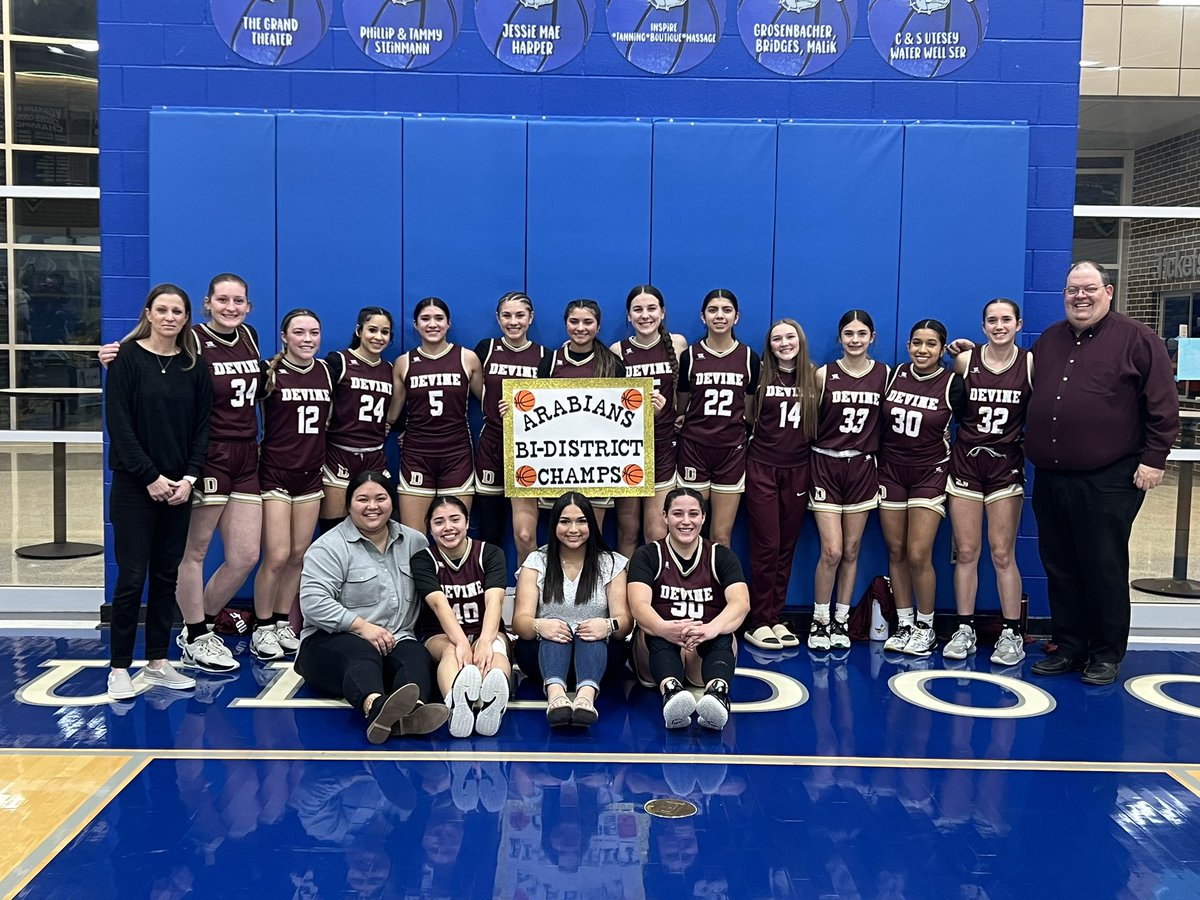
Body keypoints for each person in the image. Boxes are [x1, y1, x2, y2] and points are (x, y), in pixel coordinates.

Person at [1027, 261, 1178, 685]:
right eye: (1072, 289)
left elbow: (1163, 405)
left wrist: (1154, 458)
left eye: (1089, 288)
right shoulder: (1050, 340)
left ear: (1108, 292)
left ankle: (1106, 653)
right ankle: (1069, 646)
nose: (1080, 297)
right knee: (1060, 565)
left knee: (1102, 566)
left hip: (1109, 477)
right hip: (1052, 476)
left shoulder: (1138, 339)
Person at [100, 273, 259, 674]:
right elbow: (142, 367)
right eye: (222, 300)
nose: (231, 307)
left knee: (245, 556)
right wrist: (110, 354)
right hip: (208, 455)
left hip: (239, 454)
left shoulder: (249, 337)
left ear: (248, 306)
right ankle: (195, 633)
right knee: (187, 555)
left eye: (238, 300)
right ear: (206, 305)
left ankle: (194, 630)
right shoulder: (194, 342)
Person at [104, 284, 212, 700]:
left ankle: (157, 662)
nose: (170, 317)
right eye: (162, 310)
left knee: (167, 576)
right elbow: (120, 426)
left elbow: (202, 427)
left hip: (178, 490)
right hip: (135, 487)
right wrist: (150, 476)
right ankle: (119, 667)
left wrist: (189, 479)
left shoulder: (193, 365)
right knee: (132, 578)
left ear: (186, 318)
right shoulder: (126, 359)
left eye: (177, 311)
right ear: (148, 313)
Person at [296, 470, 450, 743]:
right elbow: (313, 602)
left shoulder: (415, 542)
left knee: (415, 656)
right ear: (348, 505)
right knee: (361, 653)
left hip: (395, 638)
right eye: (362, 499)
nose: (372, 506)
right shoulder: (328, 547)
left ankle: (411, 714)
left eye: (380, 498)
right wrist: (361, 627)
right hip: (330, 642)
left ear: (392, 502)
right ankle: (376, 707)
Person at [944, 299, 1032, 666]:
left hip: (1005, 466)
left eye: (1006, 319)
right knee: (967, 552)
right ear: (983, 327)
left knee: (1001, 553)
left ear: (1018, 324)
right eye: (992, 320)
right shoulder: (966, 361)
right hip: (966, 463)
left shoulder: (1029, 363)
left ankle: (1011, 633)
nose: (999, 326)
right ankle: (964, 628)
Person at [628, 488, 749, 730]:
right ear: (665, 516)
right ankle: (671, 692)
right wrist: (664, 628)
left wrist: (711, 629)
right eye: (677, 514)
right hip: (655, 650)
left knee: (724, 632)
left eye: (693, 514)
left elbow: (741, 603)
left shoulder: (720, 555)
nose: (686, 521)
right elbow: (638, 605)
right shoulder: (648, 555)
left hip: (702, 649)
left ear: (703, 517)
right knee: (655, 631)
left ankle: (717, 693)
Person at [879, 319, 966, 657]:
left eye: (931, 344)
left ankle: (926, 626)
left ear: (942, 349)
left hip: (929, 473)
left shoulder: (952, 382)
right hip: (890, 471)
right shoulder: (894, 375)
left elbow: (972, 425)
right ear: (908, 346)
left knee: (918, 553)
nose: (923, 349)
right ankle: (904, 624)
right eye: (917, 342)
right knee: (896, 551)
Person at [250, 309, 333, 661]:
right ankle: (262, 626)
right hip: (275, 473)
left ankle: (283, 622)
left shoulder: (326, 371)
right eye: (299, 332)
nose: (307, 339)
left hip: (311, 473)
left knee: (300, 554)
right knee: (277, 555)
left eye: (314, 332)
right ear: (284, 336)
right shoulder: (267, 371)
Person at [512, 492, 631, 728]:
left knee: (591, 633)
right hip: (544, 656)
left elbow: (625, 622)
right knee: (556, 631)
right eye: (565, 521)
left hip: (600, 656)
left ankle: (586, 699)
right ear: (554, 524)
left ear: (591, 524)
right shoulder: (536, 561)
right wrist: (540, 625)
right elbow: (520, 622)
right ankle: (555, 696)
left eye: (581, 521)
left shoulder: (611, 563)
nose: (573, 529)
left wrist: (607, 625)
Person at [808, 310, 888, 652]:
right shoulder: (824, 374)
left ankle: (841, 618)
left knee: (852, 550)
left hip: (862, 467)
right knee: (832, 550)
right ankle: (819, 619)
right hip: (826, 464)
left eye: (861, 333)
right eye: (849, 334)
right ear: (839, 338)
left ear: (872, 337)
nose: (855, 340)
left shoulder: (884, 375)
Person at [743, 319, 819, 652]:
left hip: (799, 468)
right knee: (767, 545)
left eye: (790, 337)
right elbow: (748, 416)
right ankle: (758, 620)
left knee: (787, 546)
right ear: (769, 345)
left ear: (800, 340)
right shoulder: (760, 374)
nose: (784, 343)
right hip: (762, 466)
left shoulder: (815, 376)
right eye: (777, 339)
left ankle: (775, 615)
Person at [413, 496, 512, 738]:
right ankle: (456, 706)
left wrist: (485, 641)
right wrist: (460, 642)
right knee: (451, 651)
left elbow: (495, 601)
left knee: (495, 651)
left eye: (455, 519)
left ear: (467, 522)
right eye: (439, 522)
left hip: (485, 629)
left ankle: (491, 705)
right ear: (430, 528)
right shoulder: (423, 560)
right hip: (440, 634)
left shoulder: (490, 553)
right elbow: (439, 605)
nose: (448, 527)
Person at [387, 297, 483, 531]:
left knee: (454, 534)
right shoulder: (404, 363)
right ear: (415, 324)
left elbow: (488, 403)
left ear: (449, 323)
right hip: (417, 455)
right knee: (414, 538)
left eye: (439, 318)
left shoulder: (467, 358)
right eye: (425, 319)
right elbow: (392, 414)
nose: (432, 324)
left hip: (457, 455)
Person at [676, 289, 760, 549]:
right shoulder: (690, 356)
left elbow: (749, 411)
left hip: (730, 451)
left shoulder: (749, 357)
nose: (720, 316)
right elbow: (682, 405)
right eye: (713, 310)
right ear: (703, 317)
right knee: (689, 531)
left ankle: (716, 577)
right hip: (694, 449)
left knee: (721, 536)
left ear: (737, 317)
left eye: (727, 310)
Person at [534, 300, 627, 531]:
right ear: (565, 323)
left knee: (592, 532)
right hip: (558, 462)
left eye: (588, 322)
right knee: (563, 531)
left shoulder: (613, 364)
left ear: (598, 326)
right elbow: (536, 414)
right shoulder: (550, 361)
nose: (580, 328)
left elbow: (624, 419)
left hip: (598, 463)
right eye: (574, 321)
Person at [610, 285, 688, 557]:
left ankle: (654, 584)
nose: (645, 315)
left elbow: (688, 389)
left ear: (662, 312)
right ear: (628, 316)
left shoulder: (677, 344)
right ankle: (627, 585)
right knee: (628, 531)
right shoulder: (618, 350)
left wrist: (681, 412)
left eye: (651, 308)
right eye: (638, 309)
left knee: (656, 532)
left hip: (663, 446)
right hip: (629, 449)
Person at [472, 291, 547, 564]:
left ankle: (529, 585)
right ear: (498, 318)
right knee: (490, 530)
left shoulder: (544, 356)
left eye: (520, 315)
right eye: (506, 315)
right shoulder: (486, 349)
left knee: (526, 534)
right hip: (492, 445)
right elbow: (476, 392)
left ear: (531, 318)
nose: (513, 322)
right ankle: (490, 585)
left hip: (529, 451)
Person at [319, 306, 396, 534]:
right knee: (334, 531)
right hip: (339, 454)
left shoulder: (389, 369)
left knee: (375, 529)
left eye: (385, 332)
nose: (378, 337)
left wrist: (395, 425)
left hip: (374, 455)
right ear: (359, 330)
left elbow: (398, 410)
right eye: (372, 330)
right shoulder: (339, 361)